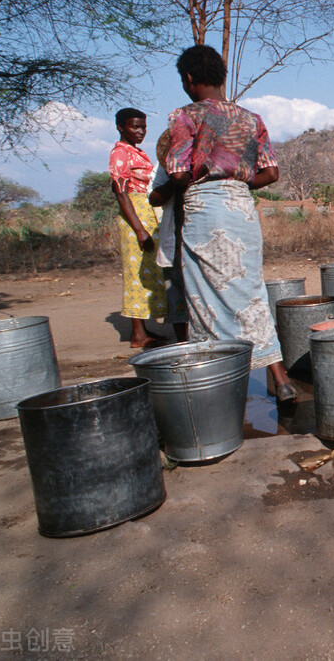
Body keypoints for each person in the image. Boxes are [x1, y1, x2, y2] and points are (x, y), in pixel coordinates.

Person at [164, 45, 295, 401]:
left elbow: (177, 171)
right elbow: (271, 172)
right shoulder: (251, 119)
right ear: (221, 76)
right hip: (242, 209)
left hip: (205, 209)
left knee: (205, 297)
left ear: (189, 79)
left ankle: (221, 388)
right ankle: (280, 380)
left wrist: (203, 179)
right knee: (250, 291)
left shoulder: (184, 116)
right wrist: (237, 182)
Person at [108, 108, 169, 348]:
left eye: (143, 127)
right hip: (135, 215)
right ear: (121, 127)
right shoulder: (120, 153)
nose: (140, 131)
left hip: (145, 212)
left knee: (148, 272)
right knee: (136, 273)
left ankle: (143, 330)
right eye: (135, 127)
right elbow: (121, 192)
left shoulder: (137, 152)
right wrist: (140, 230)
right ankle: (137, 335)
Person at [147, 130, 189, 343]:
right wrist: (175, 180)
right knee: (177, 297)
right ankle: (184, 345)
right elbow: (154, 198)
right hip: (174, 241)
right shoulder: (165, 166)